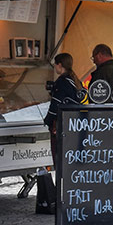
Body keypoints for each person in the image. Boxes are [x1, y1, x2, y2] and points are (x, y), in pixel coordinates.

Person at [38, 53, 79, 214]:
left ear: (60, 65)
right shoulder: (74, 81)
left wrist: (47, 121)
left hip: (60, 127)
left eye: (56, 64)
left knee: (59, 161)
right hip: (72, 126)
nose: (55, 67)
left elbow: (56, 106)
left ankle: (62, 197)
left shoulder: (61, 82)